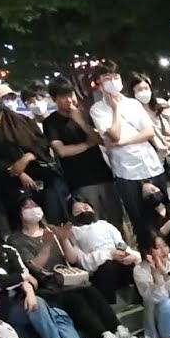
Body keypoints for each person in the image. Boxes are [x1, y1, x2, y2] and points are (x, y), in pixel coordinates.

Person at [7, 198, 133, 338]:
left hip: (69, 277)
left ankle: (118, 328)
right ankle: (103, 335)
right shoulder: (16, 239)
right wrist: (46, 246)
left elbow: (72, 258)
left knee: (90, 291)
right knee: (75, 299)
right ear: (19, 213)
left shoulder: (52, 229)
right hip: (48, 285)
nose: (33, 209)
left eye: (35, 204)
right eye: (27, 207)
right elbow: (33, 267)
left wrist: (64, 239)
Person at [0, 81, 68, 232]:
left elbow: (40, 143)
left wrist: (27, 157)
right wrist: (19, 172)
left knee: (54, 208)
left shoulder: (22, 120)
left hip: (40, 175)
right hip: (10, 183)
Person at [90, 61, 168, 242]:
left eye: (115, 77)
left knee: (164, 211)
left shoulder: (133, 103)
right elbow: (113, 135)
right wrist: (115, 109)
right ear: (99, 83)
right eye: (107, 78)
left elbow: (148, 132)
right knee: (139, 219)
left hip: (151, 164)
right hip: (127, 171)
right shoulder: (97, 110)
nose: (112, 81)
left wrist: (124, 141)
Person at [44, 79, 121, 234]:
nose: (69, 100)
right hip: (80, 181)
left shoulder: (85, 114)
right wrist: (87, 145)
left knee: (117, 220)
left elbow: (101, 140)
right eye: (62, 97)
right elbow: (61, 151)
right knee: (94, 224)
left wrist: (81, 122)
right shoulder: (51, 122)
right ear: (54, 99)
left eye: (70, 94)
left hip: (103, 175)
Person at [66, 198, 139, 302]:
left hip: (121, 260)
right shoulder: (73, 233)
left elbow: (121, 244)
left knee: (134, 265)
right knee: (107, 268)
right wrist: (109, 254)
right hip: (99, 269)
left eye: (86, 207)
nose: (84, 212)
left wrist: (132, 256)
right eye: (78, 212)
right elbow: (83, 262)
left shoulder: (106, 225)